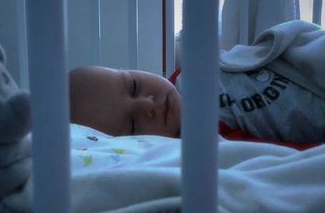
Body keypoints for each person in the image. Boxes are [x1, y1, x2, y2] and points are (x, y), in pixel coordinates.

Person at [69, 65, 325, 149]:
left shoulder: (192, 68)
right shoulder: (204, 141)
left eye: (134, 86)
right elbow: (284, 157)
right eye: (134, 125)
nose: (148, 105)